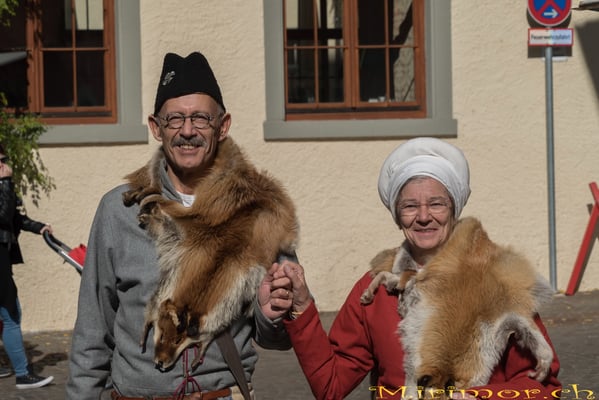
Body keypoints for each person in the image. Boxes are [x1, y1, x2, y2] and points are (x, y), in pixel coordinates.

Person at [66, 51, 295, 400]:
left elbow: (280, 336)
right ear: (156, 127)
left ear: (223, 125)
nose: (187, 131)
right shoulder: (119, 211)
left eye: (201, 118)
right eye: (174, 119)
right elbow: (92, 334)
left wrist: (271, 314)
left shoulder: (261, 210)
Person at [270, 137, 562, 399]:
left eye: (436, 204)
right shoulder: (374, 291)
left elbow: (544, 389)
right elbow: (330, 386)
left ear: (454, 209)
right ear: (398, 217)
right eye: (410, 206)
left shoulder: (498, 281)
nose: (423, 216)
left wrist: (479, 398)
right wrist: (302, 306)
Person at [0, 144, 54, 389]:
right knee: (11, 314)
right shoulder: (3, 185)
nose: (4, 165)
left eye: (4, 159)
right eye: (0, 161)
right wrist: (5, 183)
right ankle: (23, 374)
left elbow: (14, 218)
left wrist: (38, 227)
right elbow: (2, 216)